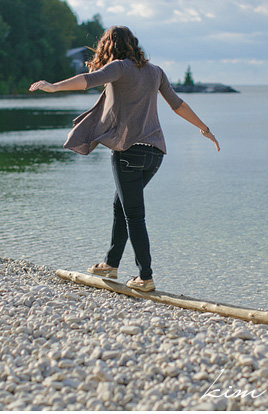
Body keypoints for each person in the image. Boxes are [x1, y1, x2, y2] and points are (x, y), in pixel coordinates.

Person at [30, 26, 220, 292]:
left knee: (134, 214)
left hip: (128, 152)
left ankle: (145, 276)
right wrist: (204, 129)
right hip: (155, 155)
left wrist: (53, 87)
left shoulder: (118, 67)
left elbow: (86, 80)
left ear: (110, 46)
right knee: (122, 206)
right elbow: (178, 105)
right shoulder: (156, 72)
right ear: (133, 44)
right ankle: (111, 263)